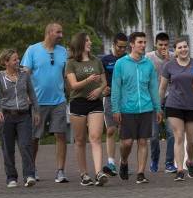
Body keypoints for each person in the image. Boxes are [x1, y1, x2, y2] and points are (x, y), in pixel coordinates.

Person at [111, 32, 162, 184]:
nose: (143, 45)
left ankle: (140, 173)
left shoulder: (148, 64)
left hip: (146, 109)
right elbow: (116, 88)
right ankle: (124, 162)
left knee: (142, 142)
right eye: (140, 42)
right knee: (126, 143)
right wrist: (115, 109)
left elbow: (153, 88)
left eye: (144, 42)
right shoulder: (121, 63)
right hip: (127, 109)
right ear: (132, 44)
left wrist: (157, 108)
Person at [21, 23, 69, 183]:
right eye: (58, 32)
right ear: (49, 32)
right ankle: (31, 170)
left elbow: (66, 75)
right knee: (34, 137)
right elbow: (25, 74)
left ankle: (60, 171)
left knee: (61, 135)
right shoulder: (32, 50)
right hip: (37, 103)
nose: (61, 35)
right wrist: (26, 95)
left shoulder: (63, 52)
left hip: (59, 101)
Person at [66, 32, 109, 186]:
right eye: (87, 40)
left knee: (96, 137)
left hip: (95, 102)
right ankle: (84, 174)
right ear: (80, 43)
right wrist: (88, 80)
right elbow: (73, 85)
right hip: (78, 102)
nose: (90, 43)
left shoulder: (97, 61)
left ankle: (99, 173)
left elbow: (104, 82)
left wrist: (99, 90)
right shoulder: (71, 63)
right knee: (79, 140)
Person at [0, 49, 40, 188]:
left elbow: (32, 93)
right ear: (6, 62)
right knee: (8, 148)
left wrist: (36, 112)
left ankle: (29, 175)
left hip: (24, 115)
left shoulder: (24, 75)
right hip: (6, 116)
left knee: (26, 145)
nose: (18, 61)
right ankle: (11, 177)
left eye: (18, 59)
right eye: (14, 59)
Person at [159, 37, 193, 181]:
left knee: (192, 140)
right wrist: (159, 106)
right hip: (174, 105)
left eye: (185, 47)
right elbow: (163, 87)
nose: (183, 49)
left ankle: (189, 161)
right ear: (175, 51)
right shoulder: (169, 66)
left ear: (188, 48)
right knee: (179, 136)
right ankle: (180, 170)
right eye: (179, 47)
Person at [146, 32, 176, 174]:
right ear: (155, 45)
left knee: (171, 132)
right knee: (154, 134)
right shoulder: (148, 57)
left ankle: (170, 163)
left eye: (165, 45)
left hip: (171, 98)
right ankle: (154, 160)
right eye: (160, 45)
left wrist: (170, 60)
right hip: (153, 99)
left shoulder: (173, 56)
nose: (163, 47)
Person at [100, 32, 128, 176]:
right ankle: (111, 163)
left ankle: (124, 162)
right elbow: (101, 79)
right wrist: (103, 87)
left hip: (127, 100)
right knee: (111, 130)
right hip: (110, 99)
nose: (122, 50)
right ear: (113, 44)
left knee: (125, 134)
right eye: (119, 47)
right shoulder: (105, 60)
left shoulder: (129, 59)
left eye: (124, 47)